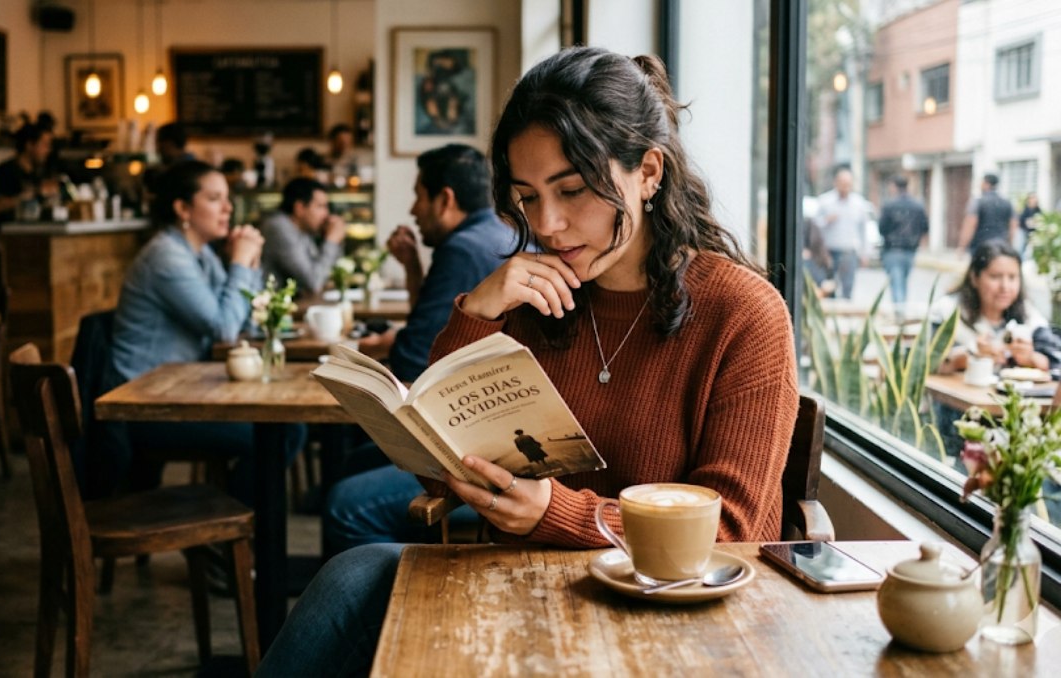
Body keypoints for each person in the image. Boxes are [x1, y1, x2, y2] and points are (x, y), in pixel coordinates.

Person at [256, 46, 799, 677]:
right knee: (352, 573)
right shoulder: (533, 298)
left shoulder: (743, 314)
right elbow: (437, 479)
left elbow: (735, 531)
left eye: (573, 189)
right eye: (526, 198)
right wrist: (478, 310)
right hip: (516, 584)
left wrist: (555, 513)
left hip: (666, 613)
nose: (549, 224)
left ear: (649, 172)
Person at [323, 144, 514, 553]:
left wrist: (397, 343)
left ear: (445, 199)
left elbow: (413, 356)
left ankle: (393, 607)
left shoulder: (463, 247)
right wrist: (412, 268)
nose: (412, 209)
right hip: (486, 432)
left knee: (345, 501)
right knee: (355, 461)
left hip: (475, 450)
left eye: (418, 195)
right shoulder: (497, 234)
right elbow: (430, 331)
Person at [108, 160, 275, 504]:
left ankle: (236, 530)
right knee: (273, 437)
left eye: (227, 198)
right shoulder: (166, 257)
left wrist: (250, 266)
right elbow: (225, 328)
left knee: (284, 432)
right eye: (215, 198)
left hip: (181, 392)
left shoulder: (200, 255)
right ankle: (234, 534)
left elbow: (248, 325)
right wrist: (240, 264)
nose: (228, 208)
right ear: (183, 208)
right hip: (146, 407)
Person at [935, 239, 1061, 376]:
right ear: (974, 278)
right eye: (995, 277)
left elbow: (1055, 361)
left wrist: (1030, 357)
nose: (1005, 287)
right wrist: (970, 355)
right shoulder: (947, 311)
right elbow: (929, 366)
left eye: (1012, 277)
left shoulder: (1029, 316)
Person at [260, 177, 347, 295]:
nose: (326, 214)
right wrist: (332, 240)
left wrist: (333, 239)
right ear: (300, 208)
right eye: (320, 206)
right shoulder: (278, 227)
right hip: (273, 308)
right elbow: (313, 282)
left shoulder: (304, 229)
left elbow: (327, 274)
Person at [813, 166, 872, 299]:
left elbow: (863, 230)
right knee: (827, 285)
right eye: (842, 183)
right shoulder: (825, 201)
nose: (845, 187)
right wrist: (826, 220)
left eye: (848, 184)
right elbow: (814, 226)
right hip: (827, 250)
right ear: (836, 183)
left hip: (848, 250)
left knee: (847, 286)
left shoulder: (859, 203)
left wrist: (865, 253)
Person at [0, 121, 59, 225]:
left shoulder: (41, 173)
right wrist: (28, 196)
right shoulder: (5, 171)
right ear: (29, 145)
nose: (48, 150)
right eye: (44, 145)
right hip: (9, 235)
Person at [878, 175, 928, 312]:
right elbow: (924, 227)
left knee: (896, 282)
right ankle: (902, 309)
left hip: (892, 249)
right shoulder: (917, 206)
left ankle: (899, 312)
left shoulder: (889, 206)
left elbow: (881, 228)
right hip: (910, 249)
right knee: (903, 281)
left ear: (894, 187)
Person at [958, 173, 1016, 255]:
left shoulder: (978, 202)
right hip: (1001, 246)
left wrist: (962, 246)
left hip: (981, 247)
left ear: (986, 184)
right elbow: (1013, 225)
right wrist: (1010, 244)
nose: (980, 185)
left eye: (981, 182)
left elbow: (970, 224)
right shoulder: (1007, 203)